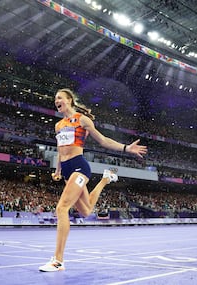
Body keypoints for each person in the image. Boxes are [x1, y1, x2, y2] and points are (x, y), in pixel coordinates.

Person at [39, 88, 147, 272]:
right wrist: (57, 171)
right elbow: (60, 149)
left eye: (59, 98)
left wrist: (126, 148)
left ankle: (58, 261)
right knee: (85, 211)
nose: (56, 101)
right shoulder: (58, 125)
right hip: (66, 170)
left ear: (69, 100)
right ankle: (105, 179)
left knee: (62, 208)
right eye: (55, 99)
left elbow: (103, 140)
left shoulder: (82, 120)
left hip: (79, 167)